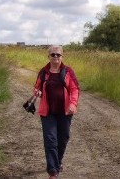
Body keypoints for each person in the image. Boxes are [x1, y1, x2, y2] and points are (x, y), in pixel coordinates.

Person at [32, 45, 80, 179]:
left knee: (63, 139)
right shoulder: (43, 72)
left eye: (58, 55)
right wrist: (37, 92)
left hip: (65, 112)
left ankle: (57, 163)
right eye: (53, 54)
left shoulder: (68, 71)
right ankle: (53, 171)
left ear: (62, 56)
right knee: (50, 140)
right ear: (49, 56)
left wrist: (73, 104)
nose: (56, 57)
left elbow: (75, 89)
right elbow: (36, 87)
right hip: (48, 112)